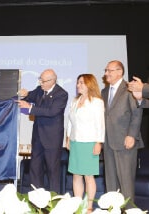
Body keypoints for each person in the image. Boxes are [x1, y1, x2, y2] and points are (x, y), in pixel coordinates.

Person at [17, 69, 68, 193]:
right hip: (38, 136)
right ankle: (36, 198)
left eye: (43, 81)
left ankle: (54, 199)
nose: (41, 83)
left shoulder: (61, 94)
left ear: (52, 81)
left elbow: (51, 112)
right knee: (35, 168)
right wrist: (24, 94)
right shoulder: (40, 89)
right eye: (40, 80)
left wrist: (31, 108)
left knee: (52, 170)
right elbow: (30, 96)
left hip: (52, 138)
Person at [102, 60, 143, 204]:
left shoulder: (130, 88)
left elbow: (137, 113)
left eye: (109, 70)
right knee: (111, 184)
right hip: (108, 143)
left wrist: (131, 135)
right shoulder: (104, 91)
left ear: (120, 72)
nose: (106, 73)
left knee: (126, 185)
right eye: (106, 70)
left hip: (125, 142)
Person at [66, 74, 105, 213]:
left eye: (81, 83)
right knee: (76, 175)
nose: (78, 85)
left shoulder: (96, 102)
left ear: (90, 84)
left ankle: (88, 206)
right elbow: (70, 122)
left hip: (89, 142)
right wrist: (68, 138)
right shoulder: (75, 101)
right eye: (77, 83)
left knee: (88, 176)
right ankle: (78, 204)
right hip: (75, 142)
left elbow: (100, 124)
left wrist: (98, 142)